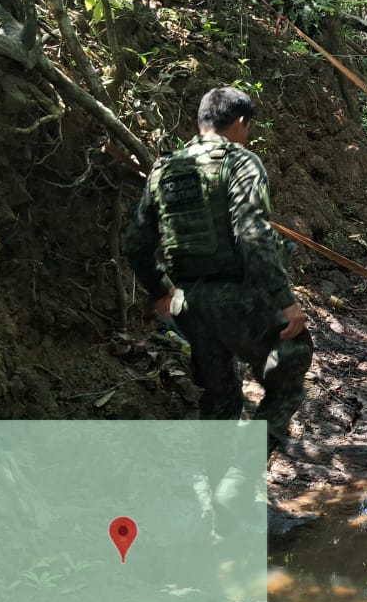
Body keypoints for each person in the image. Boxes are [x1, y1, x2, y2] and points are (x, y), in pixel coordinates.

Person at [124, 86, 312, 455]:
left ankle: (218, 494)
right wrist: (285, 301)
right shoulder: (241, 162)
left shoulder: (165, 169)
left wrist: (161, 289)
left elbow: (135, 244)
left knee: (220, 395)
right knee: (291, 368)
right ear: (240, 122)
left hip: (190, 304)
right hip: (240, 298)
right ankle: (240, 479)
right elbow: (252, 234)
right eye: (249, 126)